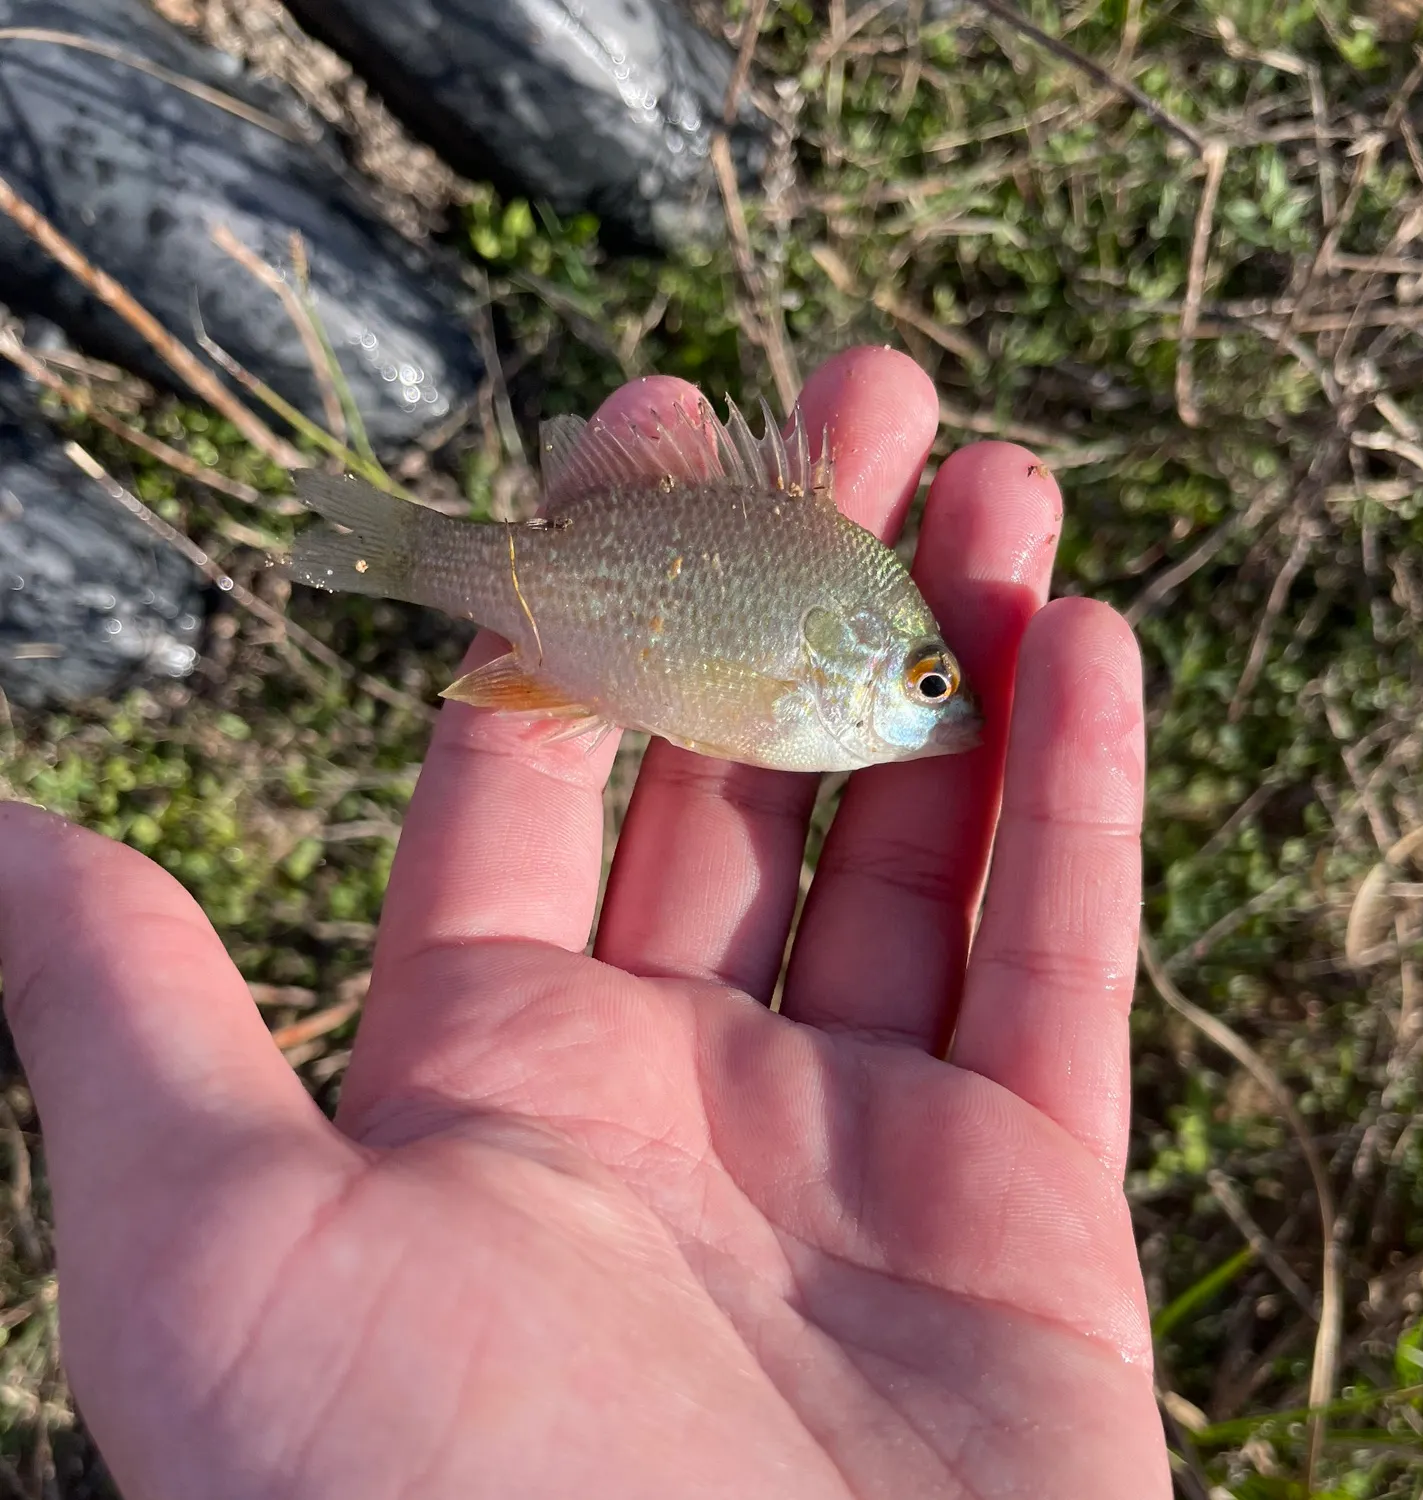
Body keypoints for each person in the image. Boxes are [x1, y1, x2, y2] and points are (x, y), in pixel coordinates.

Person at [0, 348, 1171, 1498]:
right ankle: (399, 544)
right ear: (853, 659)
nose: (948, 708)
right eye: (929, 683)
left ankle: (391, 542)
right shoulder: (821, 624)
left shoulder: (835, 622)